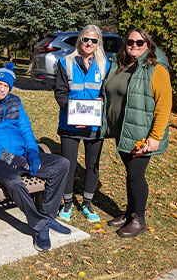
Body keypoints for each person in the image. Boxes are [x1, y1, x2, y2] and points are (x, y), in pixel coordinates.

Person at [0, 65, 71, 252]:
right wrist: (7, 157)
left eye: (6, 86)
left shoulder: (15, 101)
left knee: (62, 164)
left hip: (21, 156)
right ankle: (40, 226)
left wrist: (31, 152)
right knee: (14, 180)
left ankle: (47, 216)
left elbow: (25, 129)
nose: (1, 89)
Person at [101, 27, 172, 238]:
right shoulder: (121, 66)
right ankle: (129, 213)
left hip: (141, 133)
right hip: (123, 130)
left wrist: (155, 137)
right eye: (130, 42)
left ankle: (139, 219)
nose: (134, 46)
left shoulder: (156, 70)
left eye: (139, 43)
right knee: (130, 174)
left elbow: (164, 105)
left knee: (135, 175)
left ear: (148, 46)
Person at [53, 25, 111, 223]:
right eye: (86, 39)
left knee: (92, 165)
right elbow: (60, 92)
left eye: (94, 41)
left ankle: (87, 203)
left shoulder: (106, 65)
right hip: (70, 124)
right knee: (68, 164)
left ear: (98, 43)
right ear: (80, 40)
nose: (89, 43)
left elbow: (106, 94)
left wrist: (98, 109)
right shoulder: (65, 62)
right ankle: (67, 203)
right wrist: (74, 114)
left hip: (94, 125)